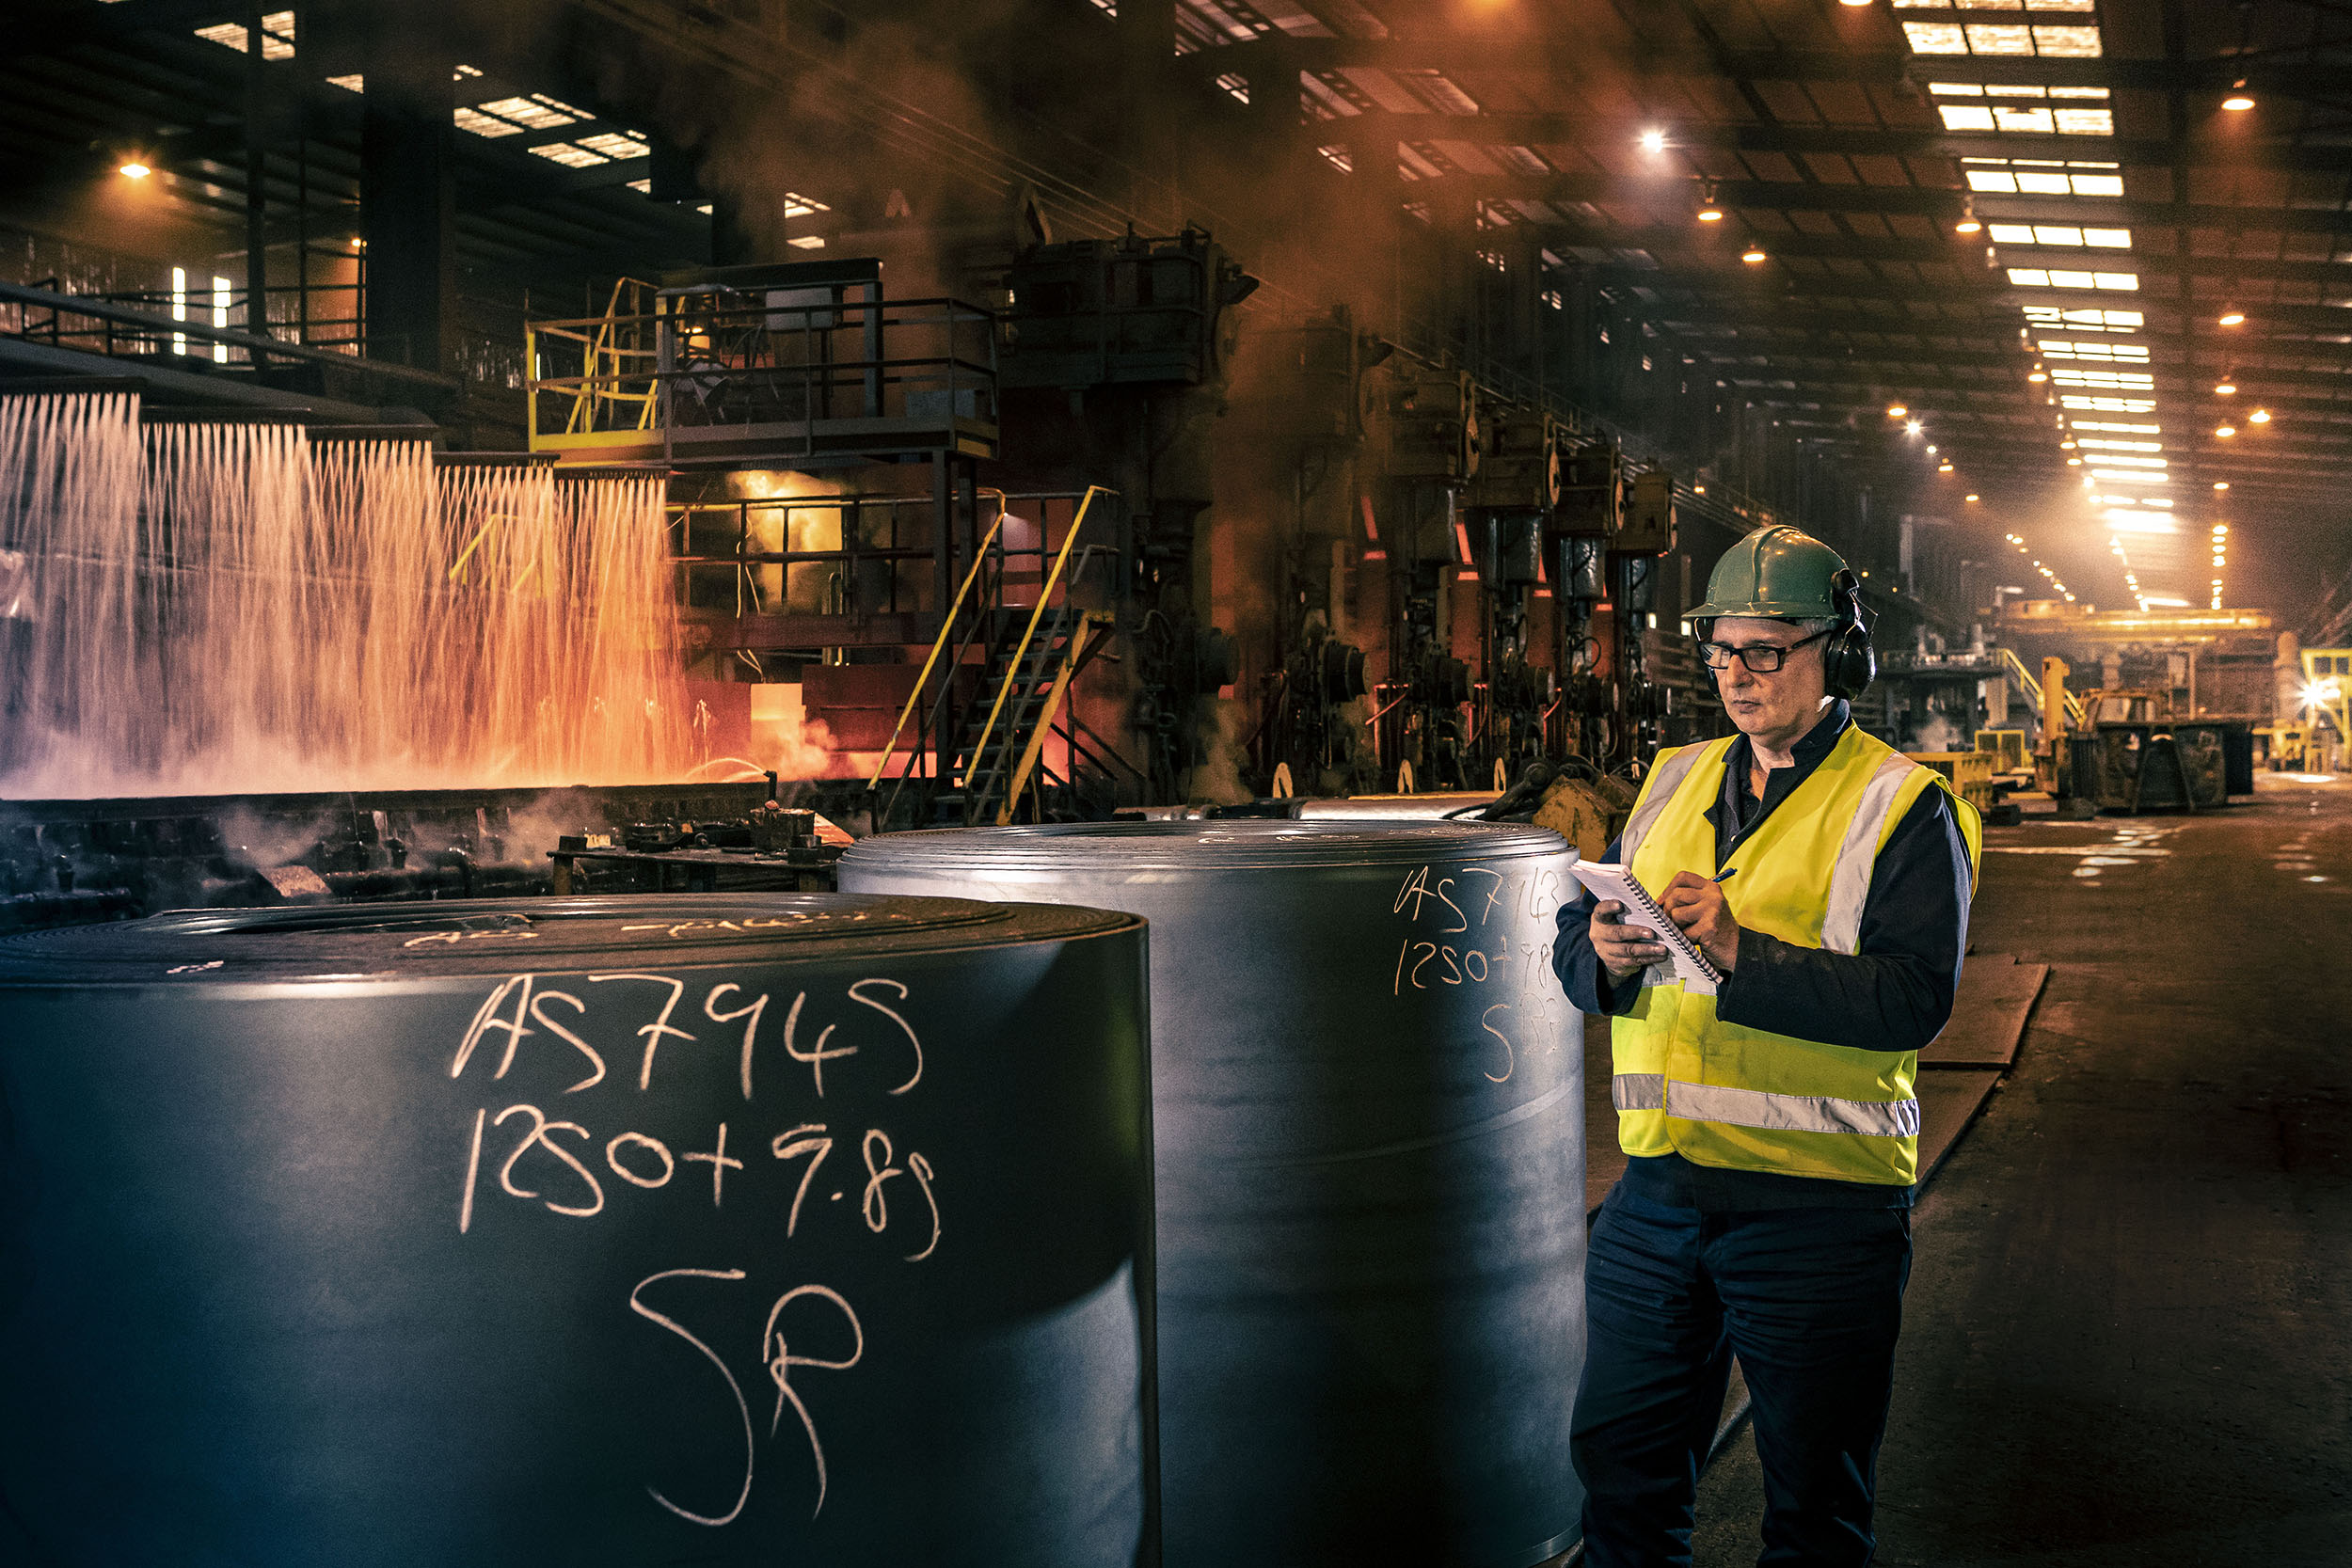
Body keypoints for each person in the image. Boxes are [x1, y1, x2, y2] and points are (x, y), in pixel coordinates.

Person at [1551, 524, 1981, 1567]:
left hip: (1816, 1210)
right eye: (1720, 650)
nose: (1735, 675)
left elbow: (1912, 999)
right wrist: (1602, 947)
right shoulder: (1669, 780)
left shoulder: (1904, 805)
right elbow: (1573, 954)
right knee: (1620, 1478)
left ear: (1836, 653)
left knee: (1811, 1508)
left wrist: (1745, 951)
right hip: (1657, 1200)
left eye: (1765, 649)